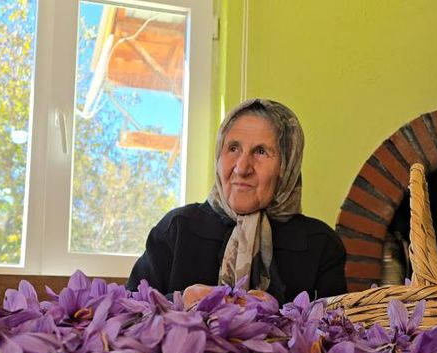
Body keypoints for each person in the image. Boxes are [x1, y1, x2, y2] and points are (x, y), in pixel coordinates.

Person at [127, 98, 346, 305]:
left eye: (260, 151)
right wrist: (181, 302)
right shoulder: (177, 229)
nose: (242, 168)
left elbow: (334, 334)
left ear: (287, 166)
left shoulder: (320, 245)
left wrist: (275, 319)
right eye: (233, 148)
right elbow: (125, 312)